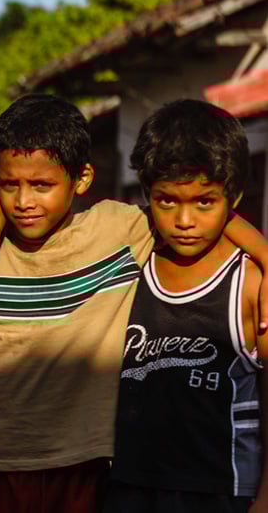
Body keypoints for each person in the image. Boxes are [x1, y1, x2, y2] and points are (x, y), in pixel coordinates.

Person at [0, 94, 268, 513]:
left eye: (42, 185)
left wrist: (267, 259)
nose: (25, 200)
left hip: (93, 465)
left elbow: (202, 197)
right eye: (11, 185)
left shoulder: (121, 231)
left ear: (81, 179)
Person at [103, 99, 266, 513]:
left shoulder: (250, 287)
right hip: (128, 485)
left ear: (234, 198)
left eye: (204, 202)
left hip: (221, 492)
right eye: (167, 201)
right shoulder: (130, 263)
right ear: (147, 196)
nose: (185, 220)